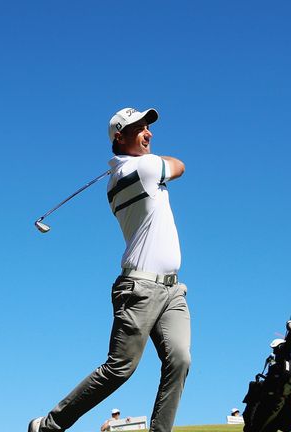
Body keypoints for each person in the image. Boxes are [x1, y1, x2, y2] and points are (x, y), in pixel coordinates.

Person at [28, 107, 191, 432]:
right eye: (140, 128)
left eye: (148, 127)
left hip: (172, 290)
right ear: (119, 137)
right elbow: (181, 166)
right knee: (120, 368)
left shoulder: (125, 173)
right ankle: (49, 424)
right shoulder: (144, 168)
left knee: (180, 360)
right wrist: (148, 160)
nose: (149, 133)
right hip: (140, 289)